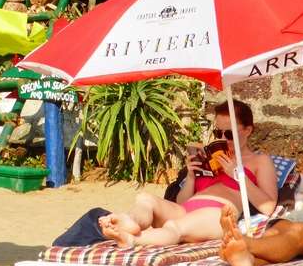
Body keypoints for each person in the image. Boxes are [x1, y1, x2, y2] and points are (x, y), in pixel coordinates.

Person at [101, 99, 277, 248]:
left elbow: (268, 207)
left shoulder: (260, 161)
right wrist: (191, 176)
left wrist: (238, 175)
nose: (222, 138)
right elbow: (181, 202)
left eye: (229, 134)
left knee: (174, 226)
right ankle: (130, 221)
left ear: (247, 130)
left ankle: (132, 240)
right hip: (185, 209)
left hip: (217, 214)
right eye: (218, 132)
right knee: (145, 198)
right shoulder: (209, 157)